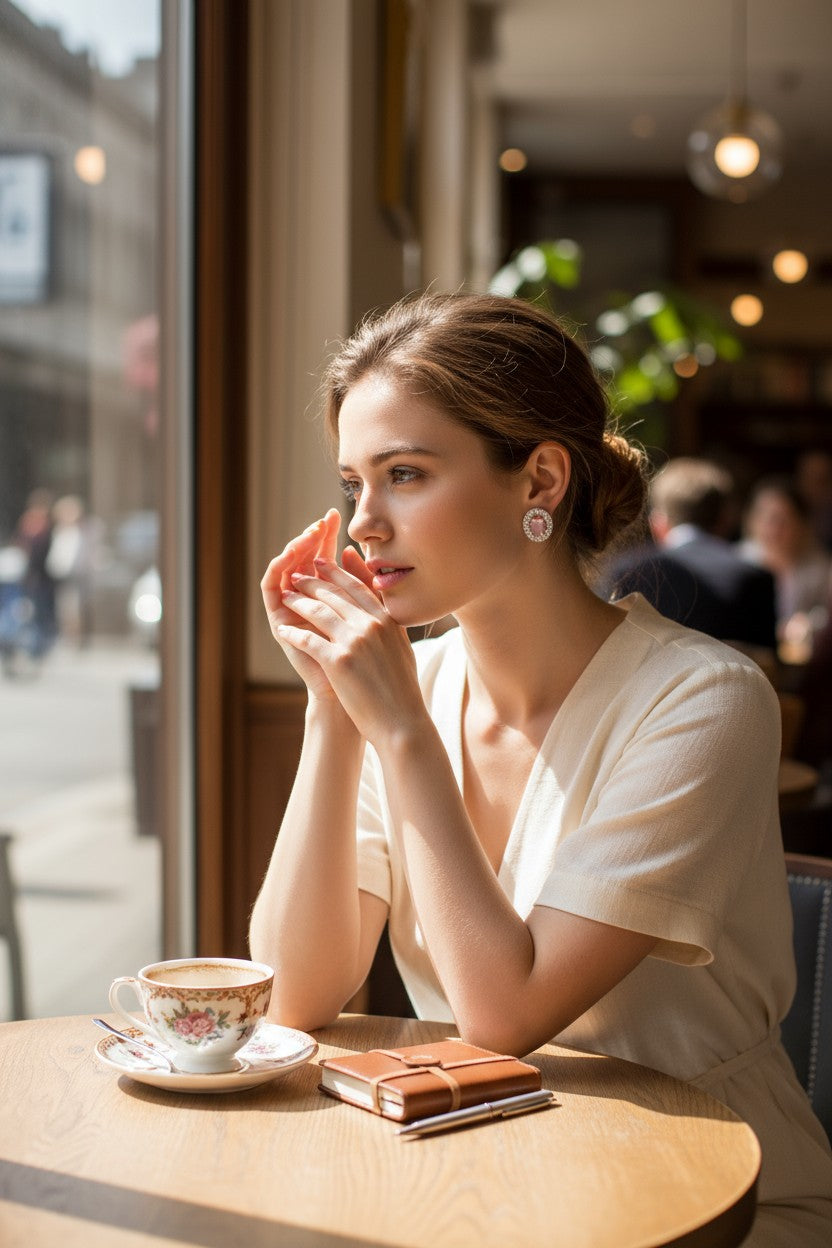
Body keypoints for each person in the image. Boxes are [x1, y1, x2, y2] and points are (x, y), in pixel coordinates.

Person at [250, 292, 832, 1245]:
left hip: (720, 1195)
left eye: (405, 474)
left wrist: (401, 733)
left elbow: (502, 1013)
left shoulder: (705, 702)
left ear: (542, 479)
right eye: (354, 484)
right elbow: (294, 995)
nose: (364, 526)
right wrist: (329, 709)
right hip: (493, 1178)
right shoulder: (407, 689)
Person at [599, 457, 777, 650]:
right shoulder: (757, 578)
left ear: (658, 523)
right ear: (725, 520)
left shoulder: (628, 572)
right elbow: (767, 661)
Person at [741, 476, 832, 664]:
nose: (773, 529)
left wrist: (808, 623)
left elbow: (825, 613)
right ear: (751, 520)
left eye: (782, 520)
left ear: (801, 523)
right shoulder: (738, 562)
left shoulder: (821, 568)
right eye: (766, 518)